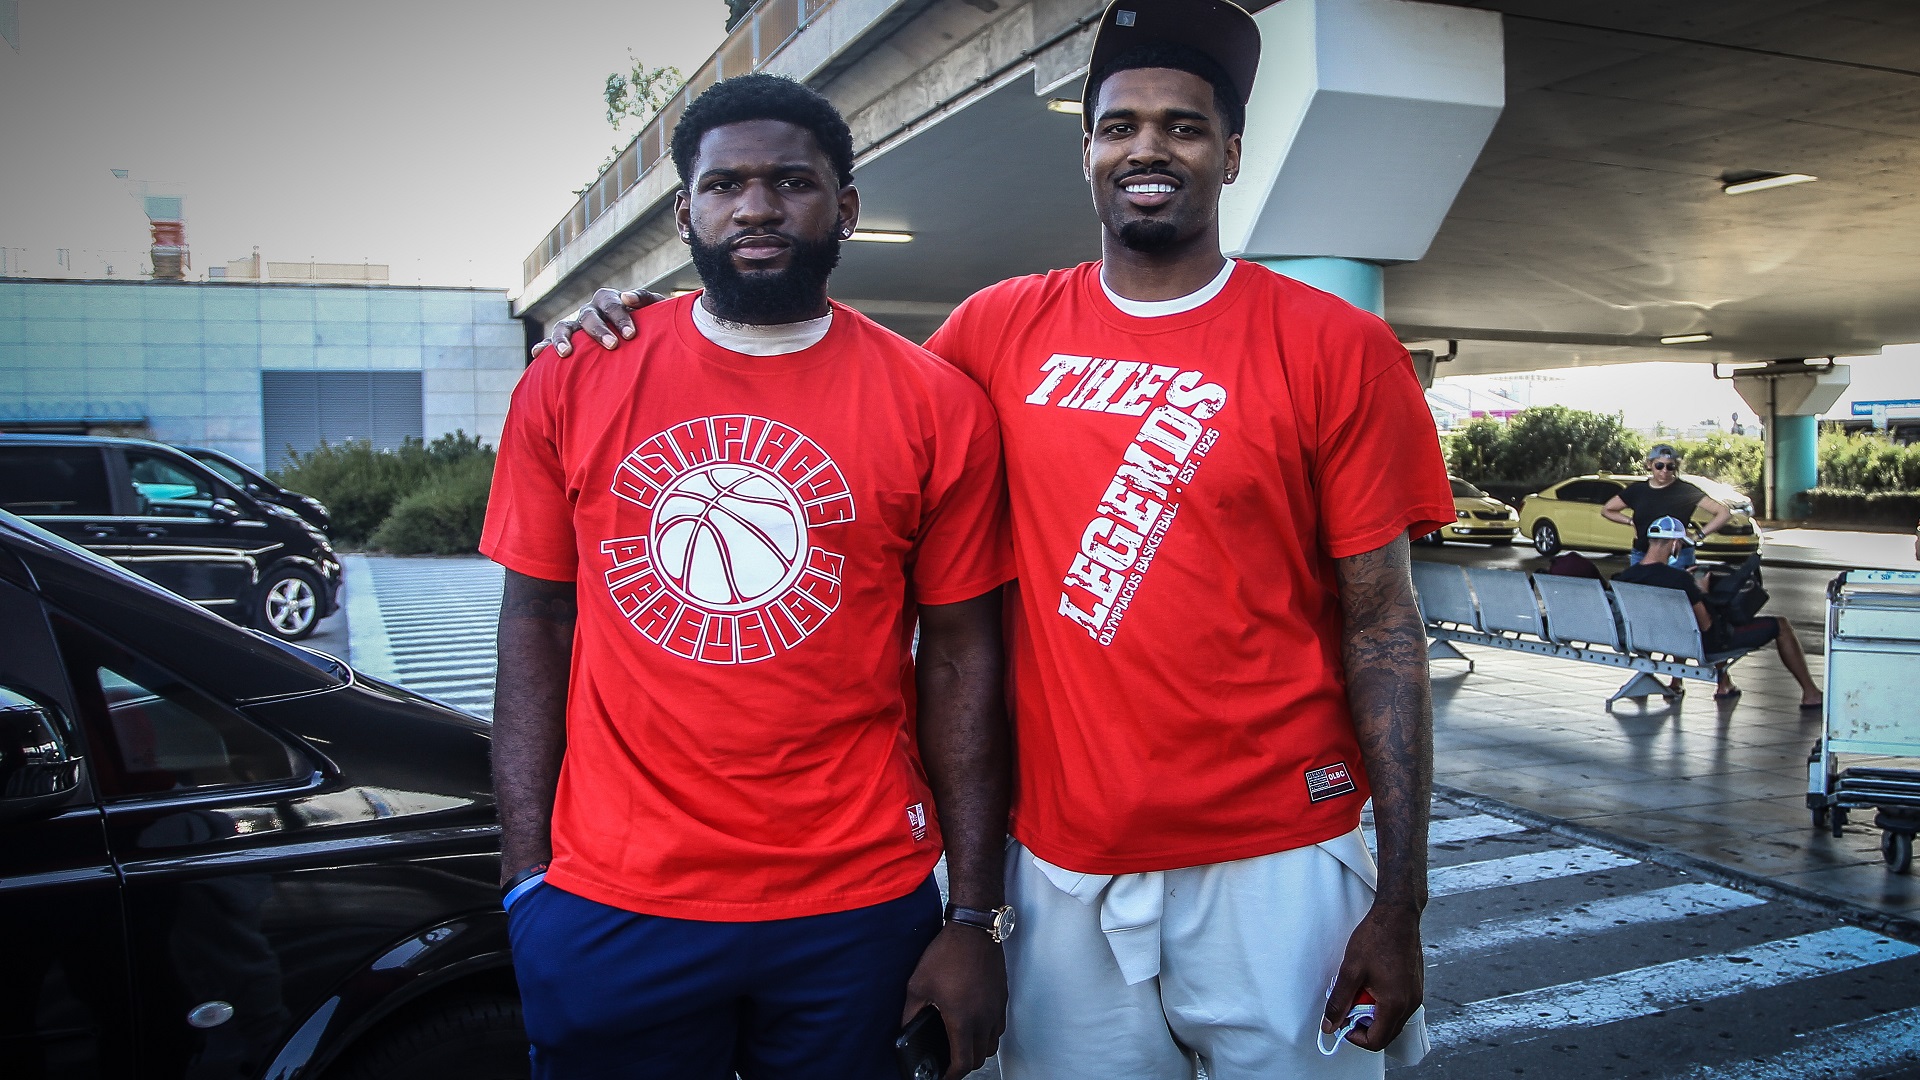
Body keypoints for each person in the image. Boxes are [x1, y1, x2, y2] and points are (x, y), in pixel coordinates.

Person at [544, 1, 1451, 1075]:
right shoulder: (994, 329)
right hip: (1057, 865)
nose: (1149, 149)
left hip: (1280, 856)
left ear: (1233, 154)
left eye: (1184, 126)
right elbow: (821, 379)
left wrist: (1401, 900)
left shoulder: (1339, 347)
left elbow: (1384, 629)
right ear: (1086, 153)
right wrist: (650, 317)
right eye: (1119, 126)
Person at [485, 74, 1015, 1080]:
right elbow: (535, 622)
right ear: (684, 213)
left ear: (844, 207)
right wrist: (525, 880)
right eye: (725, 185)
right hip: (613, 899)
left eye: (791, 182)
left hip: (856, 903)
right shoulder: (574, 376)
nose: (757, 207)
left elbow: (959, 659)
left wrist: (974, 914)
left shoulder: (936, 403)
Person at [1615, 516, 1823, 708]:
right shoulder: (1679, 580)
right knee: (1780, 625)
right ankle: (1811, 693)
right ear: (1675, 543)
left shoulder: (1625, 577)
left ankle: (1721, 684)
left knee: (1684, 627)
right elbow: (1706, 625)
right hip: (1697, 644)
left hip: (1650, 639)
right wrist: (1702, 592)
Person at [1603, 443, 1732, 567]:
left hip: (1676, 556)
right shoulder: (1637, 490)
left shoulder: (1685, 490)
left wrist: (1697, 536)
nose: (1664, 470)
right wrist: (1631, 521)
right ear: (1650, 465)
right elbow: (1608, 510)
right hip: (1642, 553)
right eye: (1659, 466)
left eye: (1670, 466)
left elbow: (1724, 513)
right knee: (1637, 583)